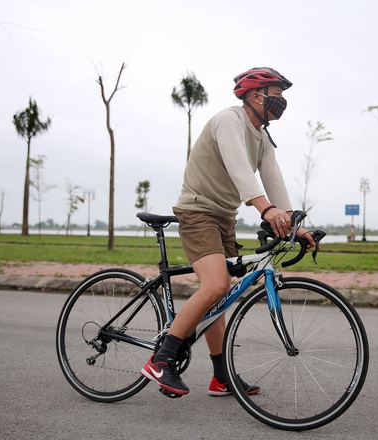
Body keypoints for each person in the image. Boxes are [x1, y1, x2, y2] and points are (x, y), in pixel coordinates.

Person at [141, 67, 316, 397]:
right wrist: (266, 210)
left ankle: (221, 378)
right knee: (217, 283)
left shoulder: (262, 137)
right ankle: (161, 360)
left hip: (225, 217)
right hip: (198, 211)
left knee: (220, 295)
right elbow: (239, 169)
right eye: (277, 96)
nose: (282, 103)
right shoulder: (228, 120)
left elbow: (274, 182)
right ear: (255, 96)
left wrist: (295, 224)